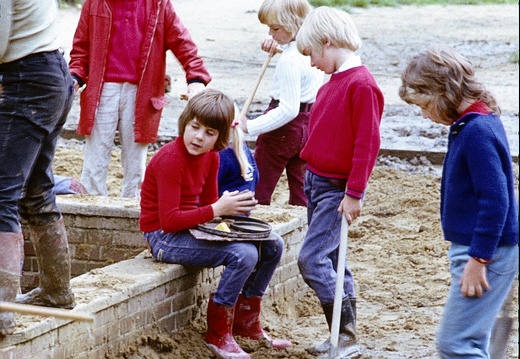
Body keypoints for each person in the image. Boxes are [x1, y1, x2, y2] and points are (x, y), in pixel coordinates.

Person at [139, 89, 291, 359]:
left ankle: (246, 323)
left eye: (209, 133)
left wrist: (230, 213)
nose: (199, 137)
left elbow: (208, 204)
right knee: (243, 254)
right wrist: (217, 209)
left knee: (272, 244)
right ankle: (218, 334)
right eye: (194, 127)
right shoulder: (170, 160)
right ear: (184, 123)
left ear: (221, 139)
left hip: (191, 226)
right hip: (163, 237)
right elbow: (170, 220)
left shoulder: (211, 157)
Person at [399, 45, 519, 359]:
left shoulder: (477, 131)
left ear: (442, 92)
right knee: (473, 341)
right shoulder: (471, 123)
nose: (424, 115)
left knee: (455, 344)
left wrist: (479, 260)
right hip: (478, 248)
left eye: (424, 106)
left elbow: (496, 201)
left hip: (486, 252)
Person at [295, 7, 384, 358]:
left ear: (328, 43)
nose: (313, 63)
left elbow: (368, 144)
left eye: (313, 54)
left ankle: (345, 334)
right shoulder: (332, 81)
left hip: (336, 189)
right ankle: (341, 336)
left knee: (312, 259)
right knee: (332, 260)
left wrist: (354, 193)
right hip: (315, 182)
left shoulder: (362, 85)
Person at [69, 0, 211, 198]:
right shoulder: (94, 4)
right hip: (101, 90)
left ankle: (133, 210)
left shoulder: (159, 5)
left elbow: (183, 42)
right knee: (94, 159)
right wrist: (74, 77)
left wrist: (196, 77)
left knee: (136, 163)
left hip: (141, 93)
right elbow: (80, 48)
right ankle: (91, 205)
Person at [0, 0, 76, 337]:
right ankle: (57, 291)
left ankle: (2, 311)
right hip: (53, 72)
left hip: (26, 79)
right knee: (36, 190)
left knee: (1, 195)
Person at [237, 0, 323, 207]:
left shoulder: (290, 60)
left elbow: (288, 109)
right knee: (301, 187)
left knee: (259, 186)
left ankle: (251, 226)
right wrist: (278, 45)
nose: (270, 33)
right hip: (308, 124)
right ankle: (303, 229)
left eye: (275, 28)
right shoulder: (312, 50)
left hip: (283, 128)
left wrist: (250, 126)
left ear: (293, 24)